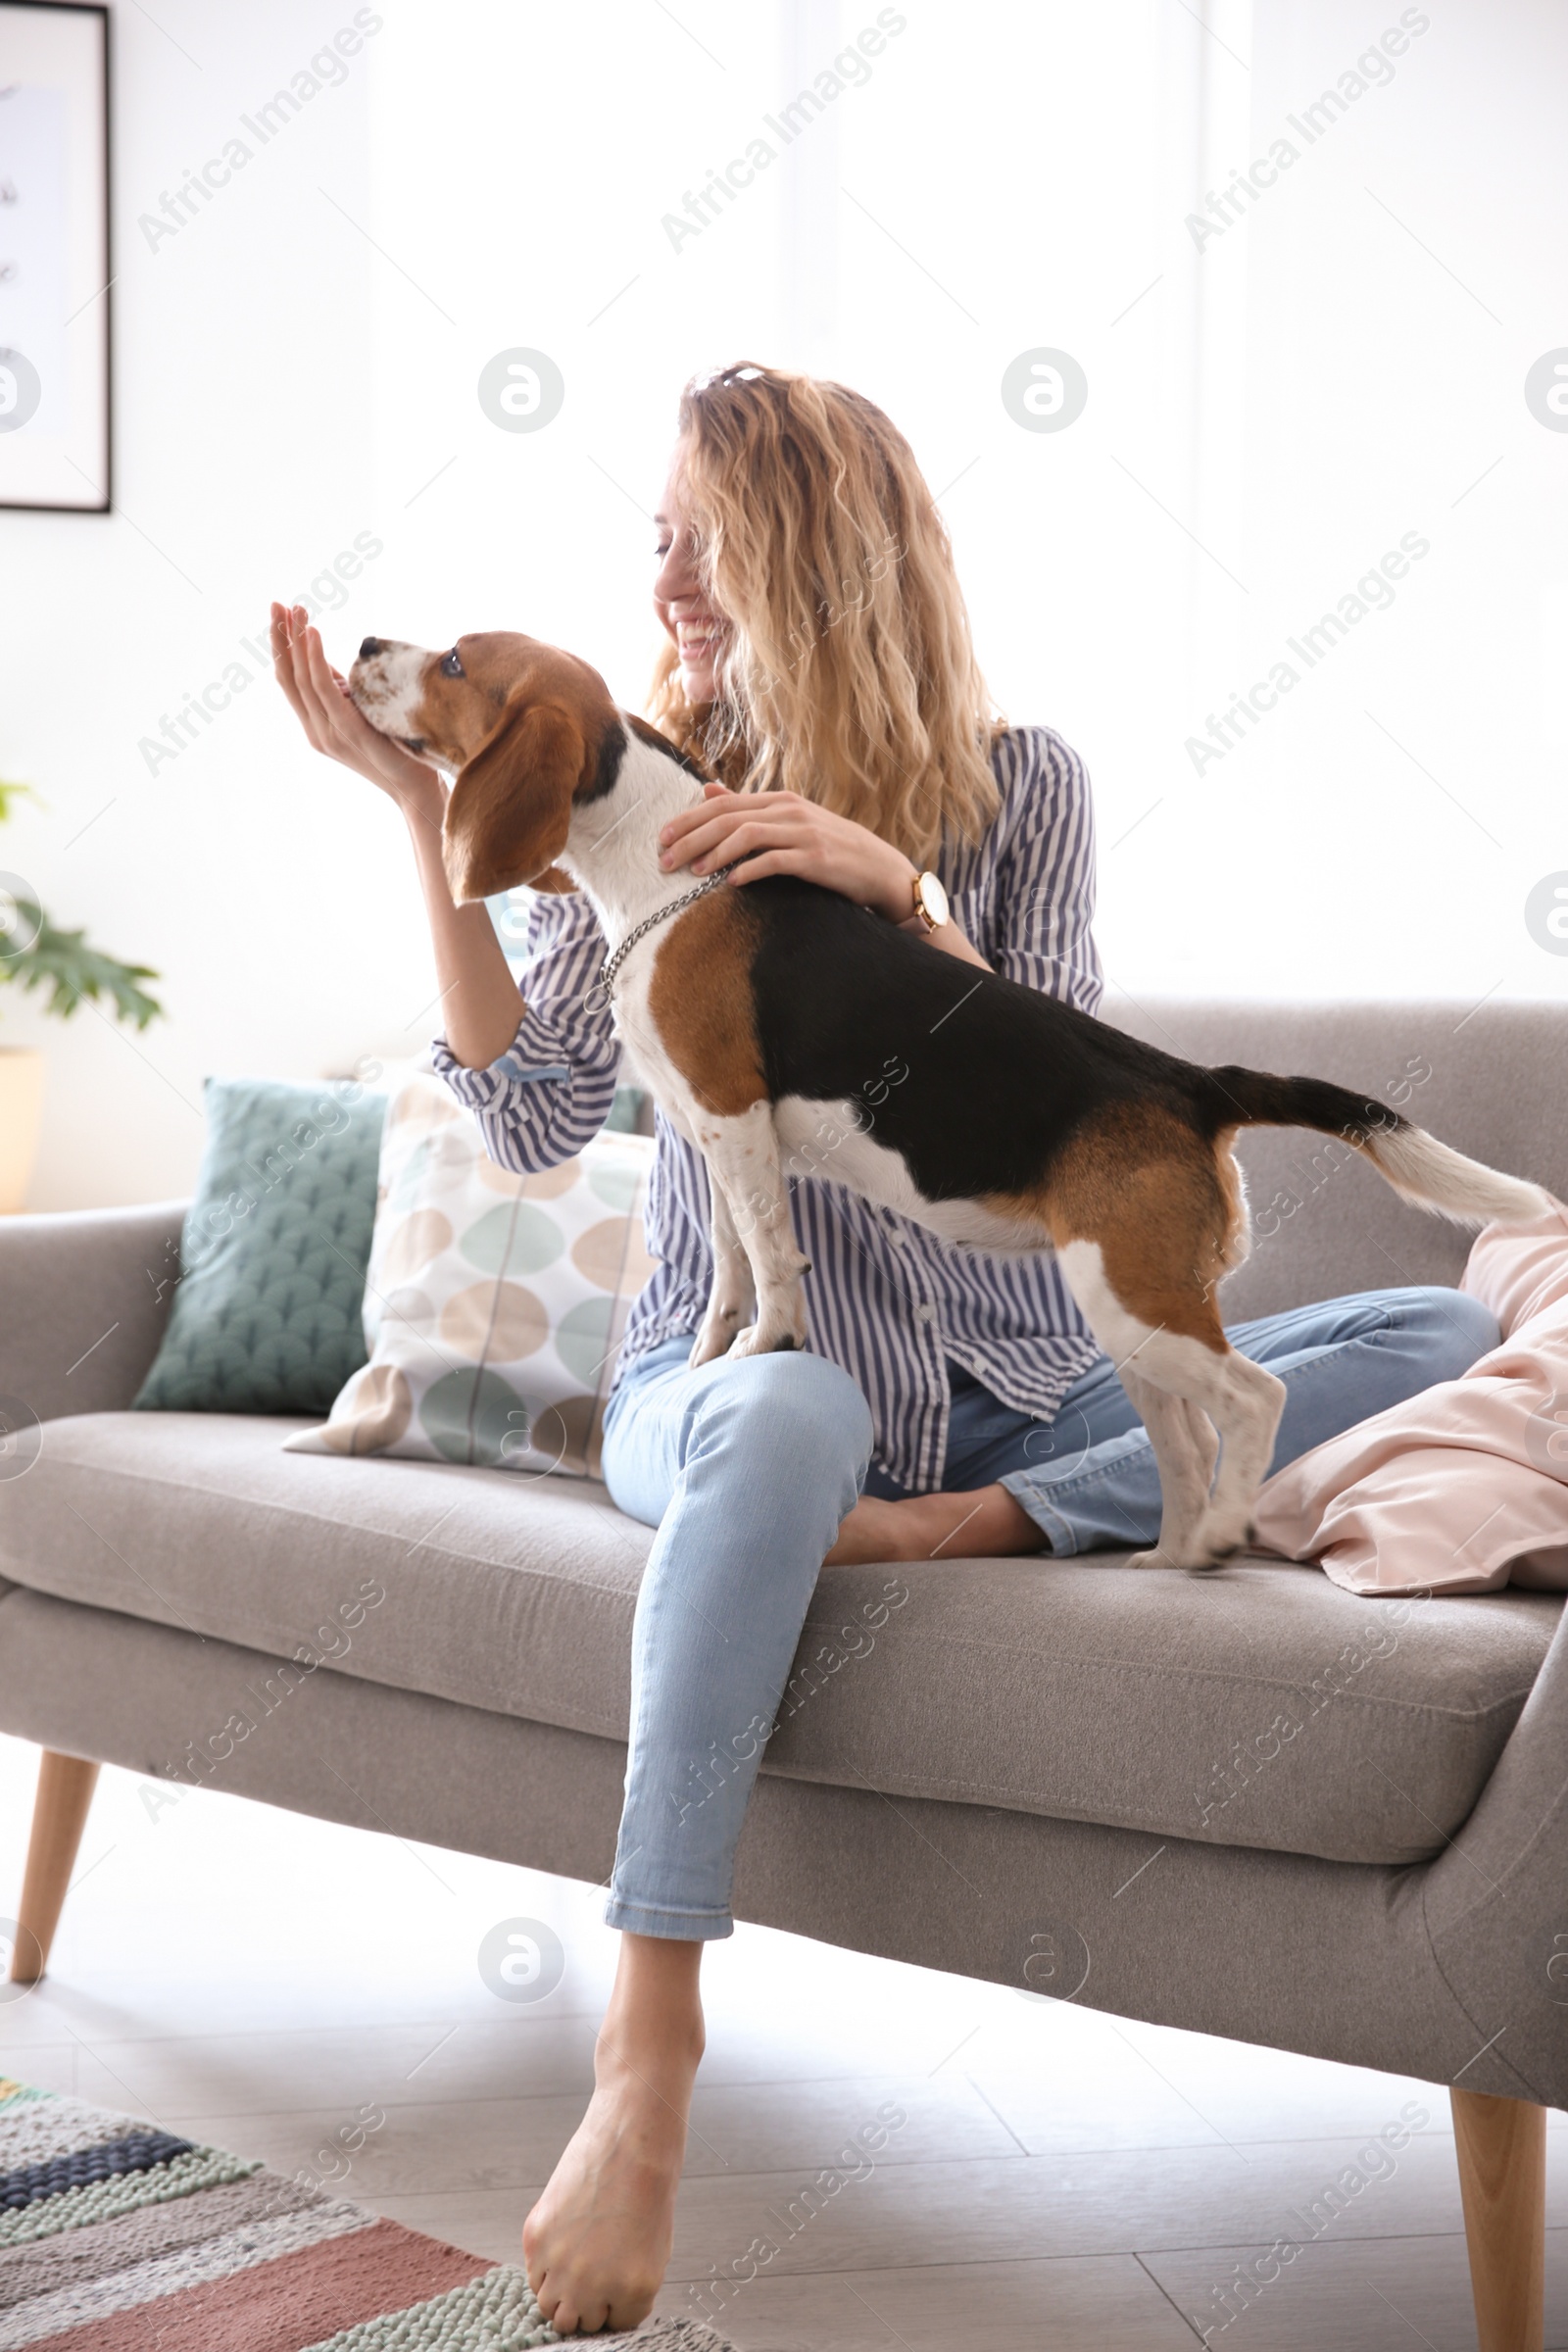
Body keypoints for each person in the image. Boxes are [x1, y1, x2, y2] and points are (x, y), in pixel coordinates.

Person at [270, 360, 1498, 2333]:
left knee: (1433, 1318)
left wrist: (904, 894)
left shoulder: (1027, 789)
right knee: (790, 1414)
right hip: (737, 1384)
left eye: (695, 534)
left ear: (809, 554)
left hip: (1026, 1386)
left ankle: (977, 1523)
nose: (658, 570)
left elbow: (1077, 1084)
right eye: (651, 533)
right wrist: (427, 822)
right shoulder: (633, 797)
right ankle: (645, 2052)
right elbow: (520, 1119)